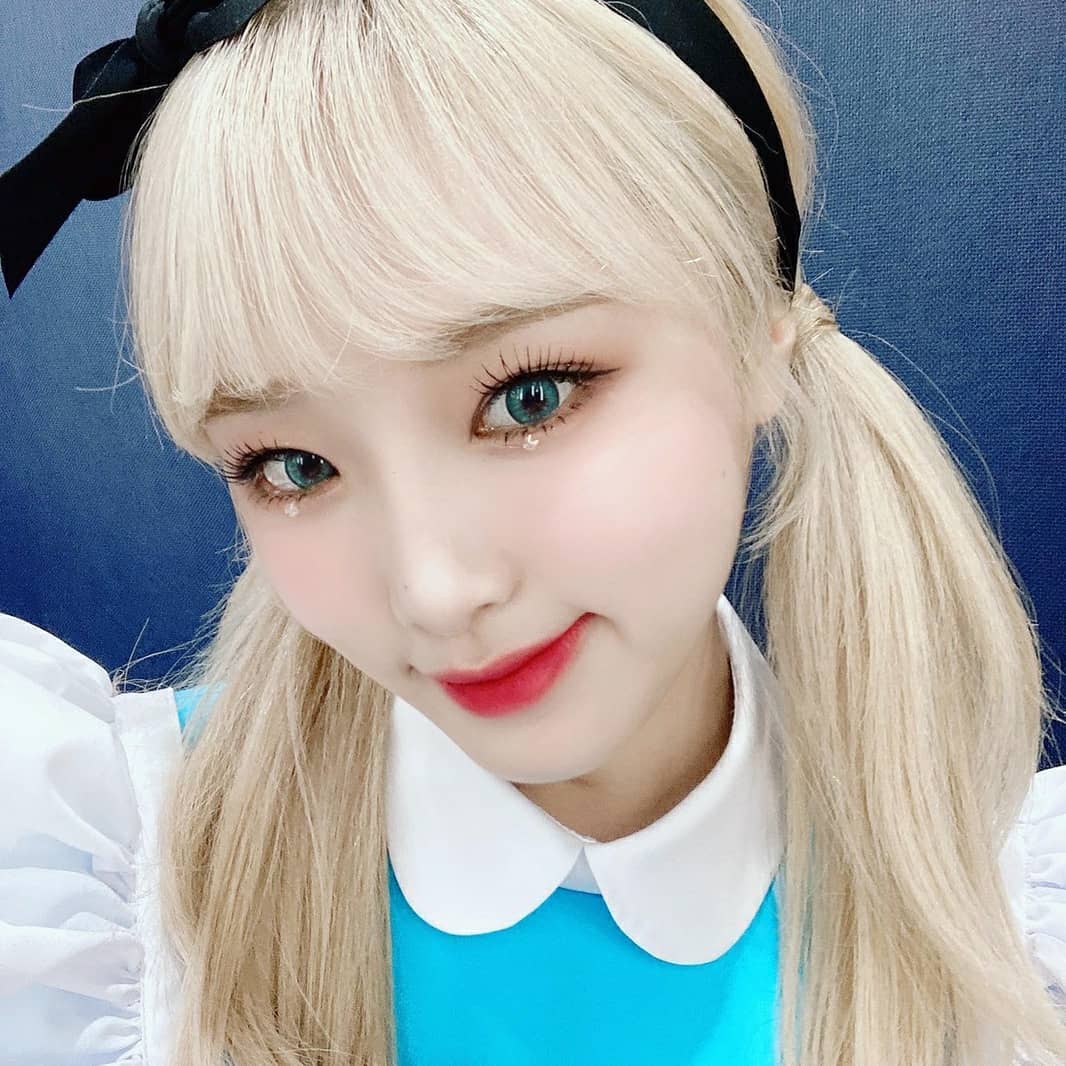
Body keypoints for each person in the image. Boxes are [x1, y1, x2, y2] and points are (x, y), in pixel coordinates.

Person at [1, 0, 1063, 1064]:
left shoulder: (1011, 948)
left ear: (758, 329)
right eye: (295, 466)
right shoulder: (104, 898)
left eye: (530, 398)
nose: (434, 590)